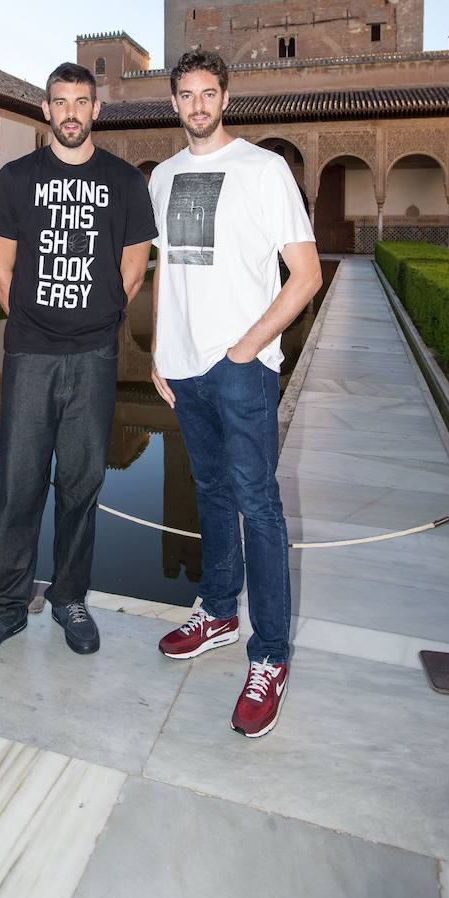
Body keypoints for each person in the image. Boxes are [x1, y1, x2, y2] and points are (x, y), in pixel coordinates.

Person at [0, 63, 156, 664]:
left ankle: (71, 598)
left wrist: (102, 316)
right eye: (60, 102)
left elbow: (134, 263)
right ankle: (3, 608)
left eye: (81, 102)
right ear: (46, 110)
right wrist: (33, 320)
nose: (70, 112)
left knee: (81, 483)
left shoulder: (123, 182)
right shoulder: (18, 178)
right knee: (17, 484)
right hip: (30, 354)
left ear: (95, 110)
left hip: (94, 356)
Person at [149, 50, 321, 737]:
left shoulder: (263, 169)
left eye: (208, 93)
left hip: (241, 368)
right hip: (184, 366)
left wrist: (248, 346)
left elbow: (304, 275)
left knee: (259, 505)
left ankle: (270, 654)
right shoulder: (162, 177)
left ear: (227, 97)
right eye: (186, 94)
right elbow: (165, 267)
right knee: (211, 493)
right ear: (173, 102)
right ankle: (218, 612)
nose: (197, 104)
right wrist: (160, 347)